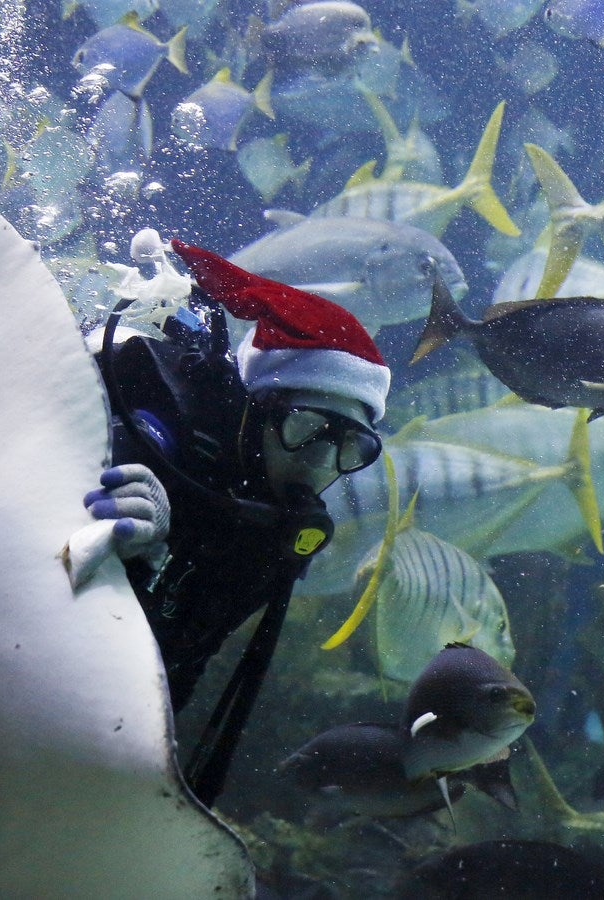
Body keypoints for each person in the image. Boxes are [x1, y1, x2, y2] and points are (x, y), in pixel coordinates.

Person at [84, 236, 390, 805]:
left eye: (351, 445)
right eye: (304, 426)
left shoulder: (275, 535)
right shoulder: (170, 421)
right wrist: (126, 494)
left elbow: (185, 658)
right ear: (256, 408)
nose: (321, 460)